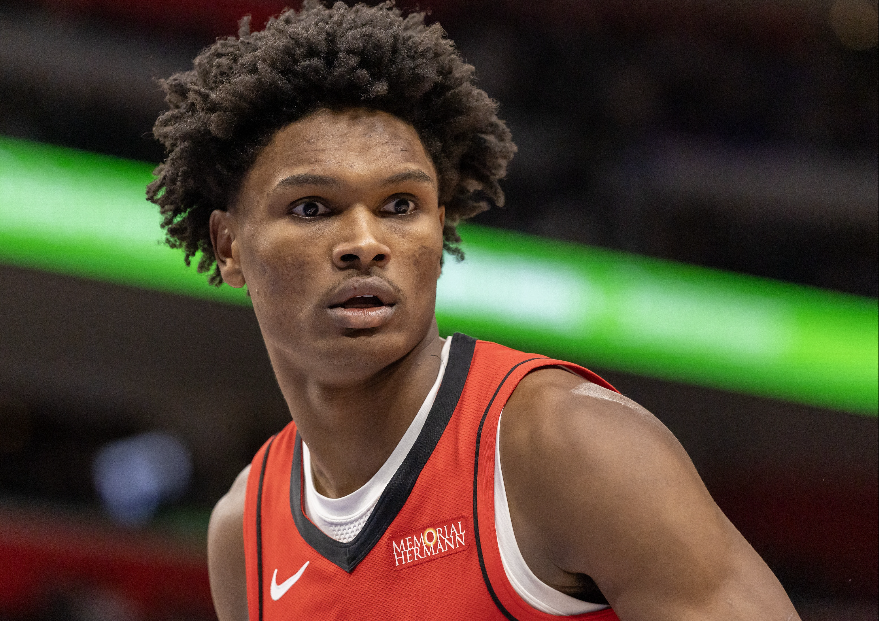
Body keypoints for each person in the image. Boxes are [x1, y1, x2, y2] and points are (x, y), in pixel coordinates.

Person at [148, 2, 802, 619]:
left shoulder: (566, 443)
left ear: (439, 228)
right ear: (229, 247)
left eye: (399, 205)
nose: (365, 242)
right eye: (312, 207)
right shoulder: (244, 532)